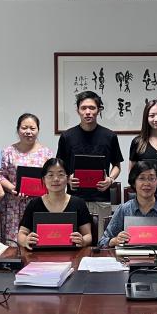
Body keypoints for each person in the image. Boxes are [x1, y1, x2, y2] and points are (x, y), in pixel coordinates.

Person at [55, 90, 123, 223]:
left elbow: (117, 165)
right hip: (73, 198)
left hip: (101, 198)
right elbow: (60, 167)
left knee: (102, 234)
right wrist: (68, 178)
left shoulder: (110, 136)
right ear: (78, 111)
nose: (88, 112)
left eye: (92, 108)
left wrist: (110, 180)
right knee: (75, 235)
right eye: (83, 108)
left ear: (99, 110)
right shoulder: (67, 137)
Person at [99, 161, 157, 248]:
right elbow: (102, 242)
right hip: (130, 258)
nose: (147, 183)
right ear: (134, 183)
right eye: (141, 178)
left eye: (152, 179)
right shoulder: (123, 209)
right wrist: (115, 241)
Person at [0, 113, 54, 245]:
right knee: (12, 245)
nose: (28, 132)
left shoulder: (47, 153)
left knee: (37, 243)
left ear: (38, 130)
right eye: (24, 128)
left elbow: (52, 177)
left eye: (32, 128)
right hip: (14, 205)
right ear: (18, 129)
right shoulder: (8, 152)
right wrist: (12, 188)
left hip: (39, 204)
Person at [17, 158, 93, 250]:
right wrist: (25, 241)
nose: (56, 179)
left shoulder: (79, 203)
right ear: (43, 179)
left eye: (61, 175)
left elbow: (88, 235)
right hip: (40, 255)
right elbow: (22, 234)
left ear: (68, 178)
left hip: (72, 255)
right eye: (50, 175)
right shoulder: (34, 204)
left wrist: (83, 241)